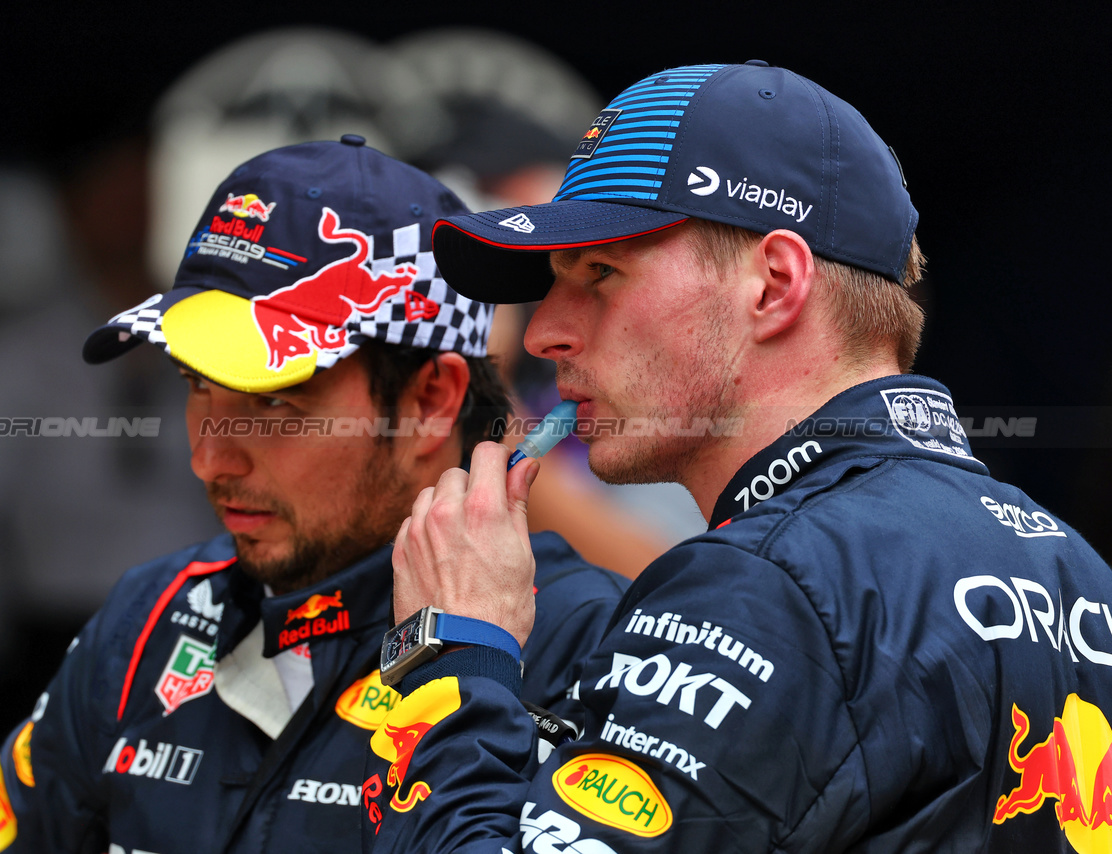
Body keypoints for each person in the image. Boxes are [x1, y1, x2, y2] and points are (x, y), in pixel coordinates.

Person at [368, 62, 1112, 853]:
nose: (546, 331)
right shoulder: (1078, 570)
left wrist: (454, 648)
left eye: (600, 273)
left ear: (774, 285)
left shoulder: (769, 586)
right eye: (552, 281)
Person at [0, 137, 629, 854]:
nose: (209, 458)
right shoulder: (148, 620)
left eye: (274, 401)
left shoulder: (595, 649)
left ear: (429, 400)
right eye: (197, 384)